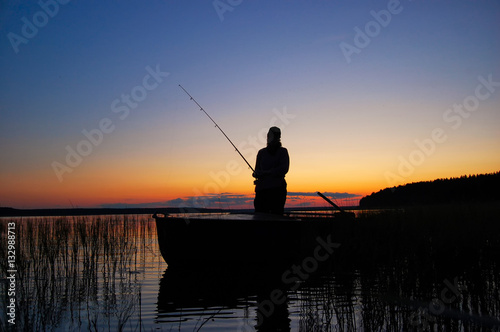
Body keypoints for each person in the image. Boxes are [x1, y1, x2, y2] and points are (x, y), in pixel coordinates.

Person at [253, 126, 289, 214]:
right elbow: (256, 171)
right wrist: (256, 174)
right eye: (270, 136)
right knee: (260, 216)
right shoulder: (261, 152)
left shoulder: (283, 151)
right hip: (261, 191)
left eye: (275, 136)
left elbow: (284, 169)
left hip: (277, 191)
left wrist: (266, 173)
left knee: (276, 218)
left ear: (278, 138)